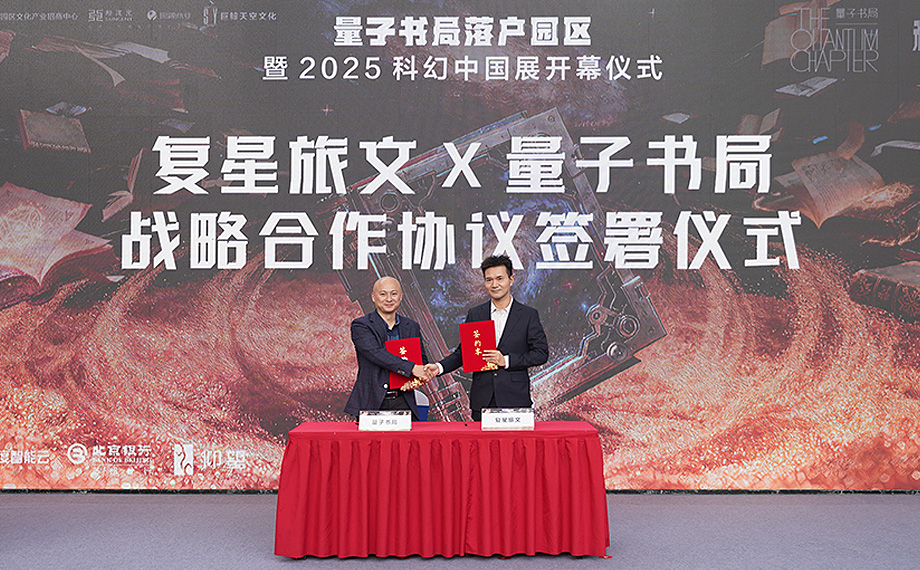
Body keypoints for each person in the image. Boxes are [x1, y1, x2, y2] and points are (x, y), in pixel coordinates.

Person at [427, 255, 548, 421]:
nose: (494, 284)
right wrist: (439, 367)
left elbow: (541, 354)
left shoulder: (528, 315)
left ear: (511, 280)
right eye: (489, 280)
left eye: (500, 278)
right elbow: (463, 353)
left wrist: (506, 360)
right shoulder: (476, 314)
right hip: (482, 401)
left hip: (515, 400)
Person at [344, 276, 433, 420]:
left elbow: (421, 360)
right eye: (383, 294)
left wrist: (416, 380)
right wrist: (411, 368)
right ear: (373, 297)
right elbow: (375, 353)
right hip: (371, 400)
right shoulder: (361, 325)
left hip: (403, 400)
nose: (389, 299)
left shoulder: (411, 326)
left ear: (401, 297)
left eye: (394, 293)